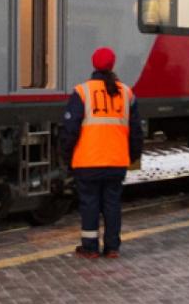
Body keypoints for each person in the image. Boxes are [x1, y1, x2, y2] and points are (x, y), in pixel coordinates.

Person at [60, 47, 142, 260]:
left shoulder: (82, 92)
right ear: (113, 65)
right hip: (116, 162)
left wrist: (66, 156)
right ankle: (112, 247)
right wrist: (132, 156)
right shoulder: (127, 93)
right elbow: (136, 132)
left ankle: (90, 248)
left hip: (88, 161)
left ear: (93, 65)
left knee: (90, 205)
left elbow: (70, 130)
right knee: (112, 204)